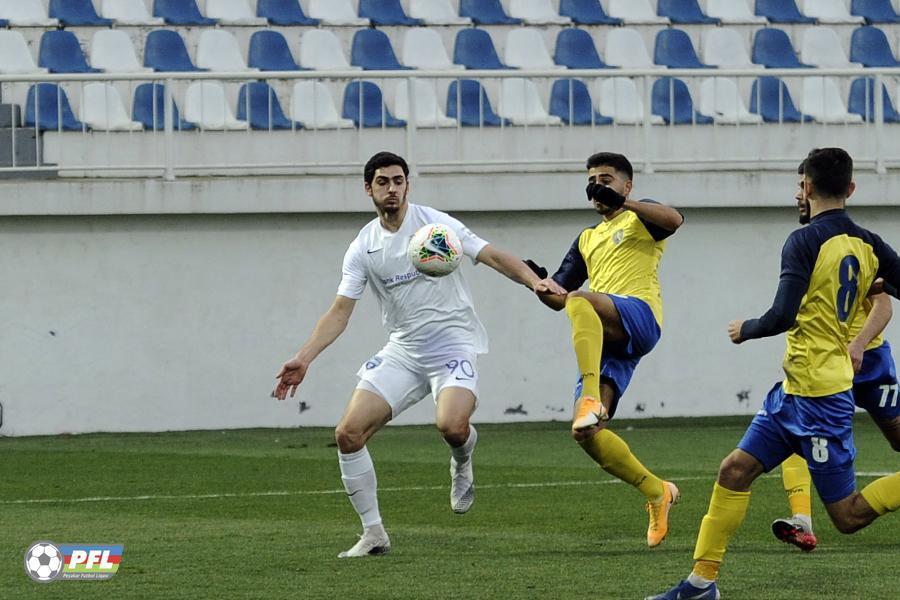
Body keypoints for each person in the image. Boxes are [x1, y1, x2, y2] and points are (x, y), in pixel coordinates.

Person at [273, 151, 565, 558]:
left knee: (452, 427)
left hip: (453, 344)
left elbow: (491, 254)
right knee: (347, 434)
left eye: (398, 181)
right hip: (404, 352)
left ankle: (462, 458)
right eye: (383, 182)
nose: (392, 189)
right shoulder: (363, 247)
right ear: (368, 189)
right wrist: (304, 358)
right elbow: (340, 311)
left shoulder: (435, 226)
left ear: (407, 184)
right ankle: (374, 534)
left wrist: (534, 282)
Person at [647, 148, 900, 600]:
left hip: (823, 398)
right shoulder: (870, 243)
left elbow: (782, 315)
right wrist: (873, 283)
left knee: (847, 516)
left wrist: (746, 329)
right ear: (851, 188)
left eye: (800, 186)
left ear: (806, 187)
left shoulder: (803, 241)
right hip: (792, 392)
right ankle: (700, 584)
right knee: (734, 470)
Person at [531, 152, 685, 547]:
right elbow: (561, 296)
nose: (597, 187)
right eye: (592, 181)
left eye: (606, 179)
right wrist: (539, 285)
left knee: (581, 300)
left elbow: (674, 220)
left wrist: (625, 203)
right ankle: (657, 491)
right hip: (607, 335)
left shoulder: (639, 216)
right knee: (586, 433)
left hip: (640, 315)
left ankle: (588, 396)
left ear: (626, 185)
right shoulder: (586, 238)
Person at [773, 161, 900, 553]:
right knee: (792, 425)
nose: (798, 194)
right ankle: (802, 520)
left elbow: (883, 306)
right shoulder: (809, 246)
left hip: (868, 361)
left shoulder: (856, 245)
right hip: (825, 365)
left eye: (802, 185)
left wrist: (858, 343)